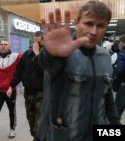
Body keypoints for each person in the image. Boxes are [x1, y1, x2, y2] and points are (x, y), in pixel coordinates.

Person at [36, 1, 120, 141]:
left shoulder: (105, 57)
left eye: (100, 26)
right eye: (88, 24)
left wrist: (115, 130)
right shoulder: (62, 54)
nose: (93, 32)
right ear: (76, 23)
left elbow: (107, 99)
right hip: (63, 136)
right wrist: (52, 54)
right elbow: (47, 63)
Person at [7, 31, 44, 141]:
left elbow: (44, 71)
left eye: (39, 43)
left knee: (40, 120)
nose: (36, 45)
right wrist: (11, 85)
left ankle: (39, 138)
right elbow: (19, 71)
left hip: (42, 93)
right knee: (31, 118)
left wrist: (38, 55)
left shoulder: (47, 55)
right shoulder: (26, 55)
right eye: (35, 42)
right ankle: (36, 136)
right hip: (28, 92)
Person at [115, 34, 125, 117]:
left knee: (118, 108)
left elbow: (120, 70)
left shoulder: (122, 54)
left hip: (124, 85)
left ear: (121, 43)